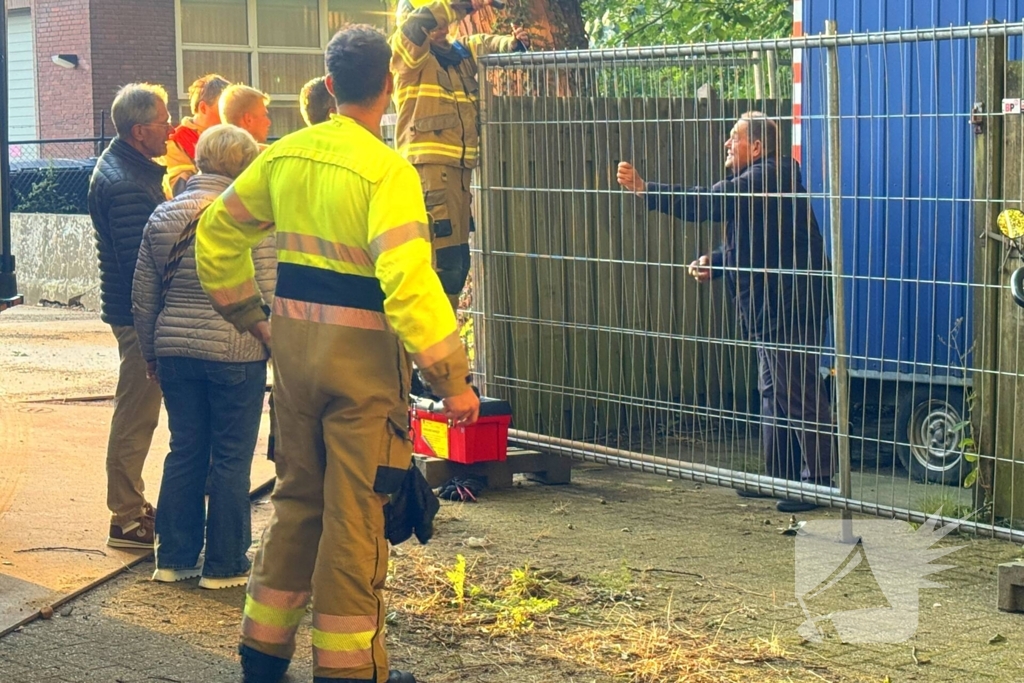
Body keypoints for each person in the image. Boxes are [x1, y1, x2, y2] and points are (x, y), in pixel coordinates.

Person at [195, 25, 479, 683]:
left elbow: (216, 233)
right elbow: (409, 284)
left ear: (327, 86)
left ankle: (260, 657)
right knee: (355, 522)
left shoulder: (282, 156)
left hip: (293, 363)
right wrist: (453, 379)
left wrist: (251, 317)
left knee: (296, 502)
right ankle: (351, 671)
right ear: (388, 86)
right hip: (361, 374)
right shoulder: (388, 172)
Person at [617, 112, 834, 514]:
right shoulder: (762, 181)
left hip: (790, 306)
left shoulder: (765, 177)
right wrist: (718, 262)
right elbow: (758, 247)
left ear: (756, 146)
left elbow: (711, 201)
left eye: (733, 137)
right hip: (772, 305)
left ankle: (818, 482)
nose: (726, 145)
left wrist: (649, 191)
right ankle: (781, 477)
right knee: (772, 393)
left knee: (798, 392)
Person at [133, 124, 273, 589]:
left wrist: (152, 353)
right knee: (231, 457)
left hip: (175, 353)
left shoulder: (162, 216)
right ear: (245, 165)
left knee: (185, 450)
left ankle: (172, 558)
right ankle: (226, 564)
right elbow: (268, 291)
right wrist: (279, 349)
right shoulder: (252, 220)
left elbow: (144, 297)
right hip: (237, 350)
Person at [391, 0, 531, 311]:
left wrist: (514, 43)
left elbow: (487, 43)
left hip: (458, 173)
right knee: (443, 263)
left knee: (455, 262)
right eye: (434, 22)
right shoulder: (408, 54)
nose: (441, 27)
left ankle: (440, 339)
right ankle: (431, 343)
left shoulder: (460, 53)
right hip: (429, 172)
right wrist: (465, 4)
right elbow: (419, 24)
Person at [87, 83, 173, 548]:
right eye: (164, 120)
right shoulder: (125, 183)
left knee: (138, 410)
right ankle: (124, 515)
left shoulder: (130, 167)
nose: (171, 128)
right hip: (137, 315)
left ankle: (132, 504)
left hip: (134, 311)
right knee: (136, 413)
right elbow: (143, 264)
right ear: (141, 131)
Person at [163, 73, 230, 198]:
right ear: (203, 108)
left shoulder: (233, 136)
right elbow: (179, 190)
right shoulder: (176, 142)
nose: (228, 114)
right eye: (223, 108)